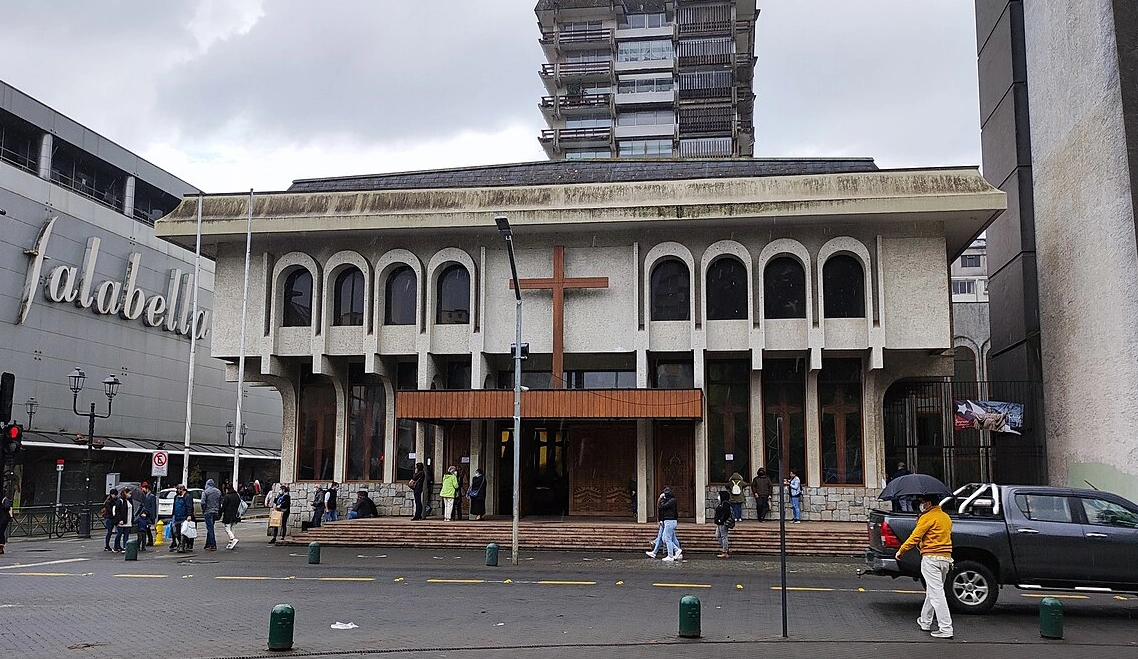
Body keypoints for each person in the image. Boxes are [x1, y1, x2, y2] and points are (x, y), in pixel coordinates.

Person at [895, 493, 954, 639]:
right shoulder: (946, 517)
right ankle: (925, 621)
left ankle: (946, 627)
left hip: (931, 558)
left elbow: (915, 537)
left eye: (922, 502)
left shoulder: (927, 517)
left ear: (928, 504)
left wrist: (901, 551)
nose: (920, 505)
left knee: (936, 594)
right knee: (933, 591)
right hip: (945, 558)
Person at [658, 487, 682, 562]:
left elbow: (662, 507)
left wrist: (661, 499)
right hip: (669, 520)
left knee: (667, 539)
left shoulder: (672, 501)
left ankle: (670, 555)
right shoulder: (671, 500)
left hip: (670, 521)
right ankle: (677, 550)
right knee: (664, 538)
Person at [170, 484, 194, 553]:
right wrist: (173, 515)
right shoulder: (176, 497)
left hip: (184, 517)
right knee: (176, 532)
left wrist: (189, 515)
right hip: (177, 517)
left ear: (182, 489)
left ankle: (182, 546)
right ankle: (180, 543)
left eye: (178, 489)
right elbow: (174, 506)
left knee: (183, 532)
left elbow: (189, 506)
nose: (177, 491)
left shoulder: (187, 496)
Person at [201, 478, 222, 551]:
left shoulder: (205, 492)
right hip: (215, 511)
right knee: (210, 528)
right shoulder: (218, 491)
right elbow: (220, 503)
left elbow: (203, 502)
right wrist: (219, 512)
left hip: (208, 511)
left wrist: (203, 510)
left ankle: (213, 544)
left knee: (210, 528)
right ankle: (208, 544)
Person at [112, 487, 134, 553]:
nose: (130, 495)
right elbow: (117, 511)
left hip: (128, 520)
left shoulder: (129, 501)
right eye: (129, 493)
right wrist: (120, 519)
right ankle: (116, 546)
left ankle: (125, 547)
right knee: (119, 534)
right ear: (125, 493)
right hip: (122, 521)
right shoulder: (120, 501)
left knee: (126, 535)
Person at [220, 483, 242, 549]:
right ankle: (231, 541)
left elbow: (224, 506)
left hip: (228, 514)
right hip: (235, 514)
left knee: (227, 528)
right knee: (233, 527)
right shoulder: (236, 495)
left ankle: (232, 539)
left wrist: (220, 512)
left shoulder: (227, 496)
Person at [713, 490, 733, 558]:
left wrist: (721, 520)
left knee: (723, 536)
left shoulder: (725, 503)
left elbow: (726, 513)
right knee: (718, 535)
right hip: (719, 523)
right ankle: (726, 548)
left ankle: (725, 551)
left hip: (722, 523)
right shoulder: (722, 503)